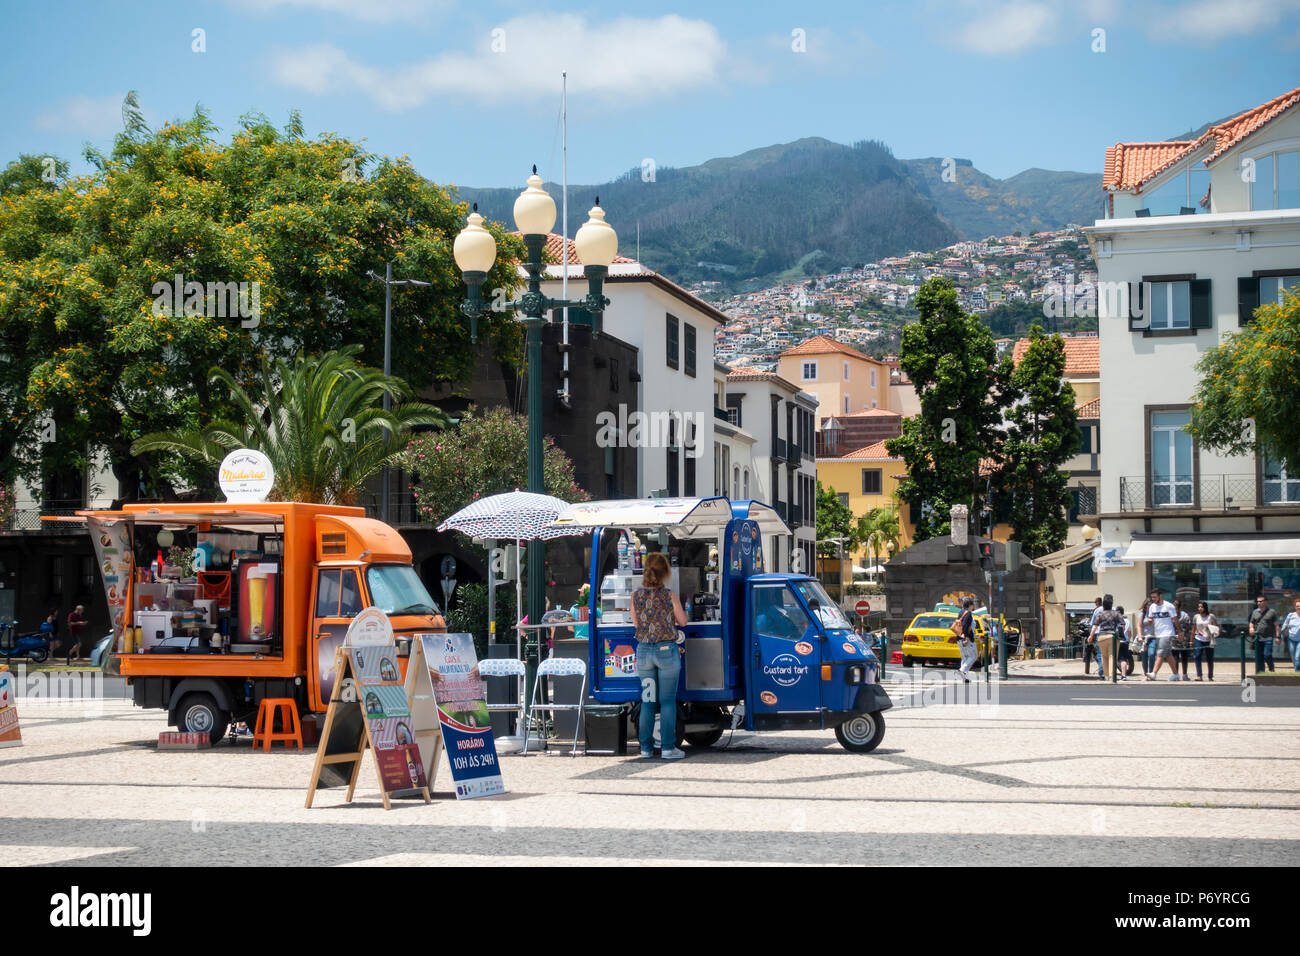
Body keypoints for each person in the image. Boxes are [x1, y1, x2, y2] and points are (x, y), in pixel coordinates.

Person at [631, 552, 687, 760]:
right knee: (667, 701)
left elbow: (637, 624)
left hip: (644, 652)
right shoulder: (669, 595)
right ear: (665, 573)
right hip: (666, 652)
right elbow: (683, 621)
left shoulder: (635, 596)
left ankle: (645, 748)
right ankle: (667, 748)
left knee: (648, 701)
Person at [1143, 588, 1179, 681]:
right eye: (1152, 597)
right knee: (1167, 654)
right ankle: (1175, 674)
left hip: (1167, 633)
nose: (1153, 599)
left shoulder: (1169, 606)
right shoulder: (1152, 607)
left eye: (1155, 597)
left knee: (1160, 652)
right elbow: (1151, 619)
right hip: (1158, 633)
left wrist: (1180, 632)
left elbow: (1175, 619)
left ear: (1160, 596)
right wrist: (1150, 621)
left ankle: (1154, 673)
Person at [1088, 594, 1123, 681]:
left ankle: (1106, 675)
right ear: (1112, 604)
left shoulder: (1100, 614)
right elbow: (1122, 624)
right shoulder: (1116, 613)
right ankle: (1112, 676)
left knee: (1104, 656)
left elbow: (1094, 626)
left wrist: (1091, 636)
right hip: (1112, 636)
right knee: (1112, 656)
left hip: (1101, 636)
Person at [1248, 595, 1279, 672]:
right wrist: (1251, 628)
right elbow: (1251, 622)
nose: (1258, 603)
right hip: (1258, 638)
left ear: (1265, 602)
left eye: (1261, 601)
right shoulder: (1255, 612)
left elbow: (1276, 625)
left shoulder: (1271, 612)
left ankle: (1271, 669)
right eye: (1258, 601)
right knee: (1259, 656)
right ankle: (1261, 672)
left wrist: (1278, 637)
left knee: (1267, 655)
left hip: (1268, 638)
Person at [952, 598, 978, 683]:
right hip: (966, 638)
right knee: (973, 656)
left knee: (965, 657)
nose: (973, 606)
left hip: (959, 637)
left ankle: (964, 677)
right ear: (970, 605)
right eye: (972, 604)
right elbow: (965, 626)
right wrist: (966, 638)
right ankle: (962, 671)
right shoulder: (968, 614)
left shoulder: (961, 612)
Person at [1192, 601, 1218, 682]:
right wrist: (1191, 640)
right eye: (1199, 607)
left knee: (1209, 658)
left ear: (1205, 608)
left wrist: (1209, 627)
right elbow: (1193, 629)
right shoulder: (1196, 617)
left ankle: (1210, 676)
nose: (1200, 609)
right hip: (1198, 638)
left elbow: (1216, 628)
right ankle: (1199, 675)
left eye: (1201, 607)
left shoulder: (1211, 616)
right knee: (1197, 656)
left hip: (1208, 639)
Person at [1172, 598, 1193, 681]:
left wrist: (1187, 638)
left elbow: (1189, 627)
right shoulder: (1170, 616)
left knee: (1184, 657)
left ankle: (1185, 675)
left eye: (1176, 607)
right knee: (1175, 657)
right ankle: (1176, 675)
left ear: (1179, 608)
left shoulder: (1185, 616)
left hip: (1184, 639)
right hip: (1174, 639)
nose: (1174, 609)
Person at [1138, 599, 1157, 675]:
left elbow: (1158, 625)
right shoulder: (1142, 614)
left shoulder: (1155, 614)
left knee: (1151, 654)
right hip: (1144, 637)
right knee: (1144, 657)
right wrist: (1140, 636)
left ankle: (1151, 672)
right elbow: (1139, 625)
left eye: (1150, 605)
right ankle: (1146, 673)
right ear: (1145, 606)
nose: (1149, 607)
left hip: (1153, 637)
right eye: (1147, 605)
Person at [1116, 605, 1134, 679]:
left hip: (1116, 641)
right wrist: (1128, 640)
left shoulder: (1115, 620)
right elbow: (1129, 633)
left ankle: (1112, 675)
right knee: (1123, 659)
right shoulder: (1127, 621)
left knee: (1113, 658)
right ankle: (1123, 675)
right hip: (1125, 641)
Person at [1283, 599, 1300, 673]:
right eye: (1297, 606)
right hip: (1291, 639)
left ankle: (1297, 672)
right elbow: (1284, 625)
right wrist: (1283, 631)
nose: (1299, 607)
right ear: (1295, 607)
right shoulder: (1290, 615)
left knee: (1297, 656)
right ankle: (1297, 668)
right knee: (1293, 656)